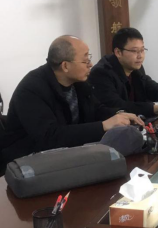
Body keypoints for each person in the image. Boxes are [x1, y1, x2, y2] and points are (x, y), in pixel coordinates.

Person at [1, 36, 143, 162]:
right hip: (25, 164)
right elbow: (50, 138)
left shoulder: (78, 83)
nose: (90, 64)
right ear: (65, 66)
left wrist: (118, 115)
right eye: (85, 60)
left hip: (66, 155)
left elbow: (96, 109)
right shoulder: (32, 89)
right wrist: (103, 126)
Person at [89, 28, 158, 118]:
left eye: (142, 50)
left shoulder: (135, 67)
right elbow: (118, 106)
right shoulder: (101, 73)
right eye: (134, 51)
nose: (140, 56)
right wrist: (155, 107)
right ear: (118, 52)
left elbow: (150, 87)